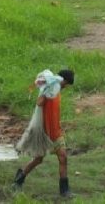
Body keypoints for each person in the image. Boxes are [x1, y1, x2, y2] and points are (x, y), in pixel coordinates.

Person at [13, 67, 74, 197]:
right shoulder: (49, 90)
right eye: (66, 84)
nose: (65, 87)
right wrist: (45, 92)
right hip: (45, 133)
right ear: (62, 80)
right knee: (38, 160)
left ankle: (65, 191)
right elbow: (39, 102)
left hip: (56, 133)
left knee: (63, 158)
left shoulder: (56, 91)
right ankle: (19, 178)